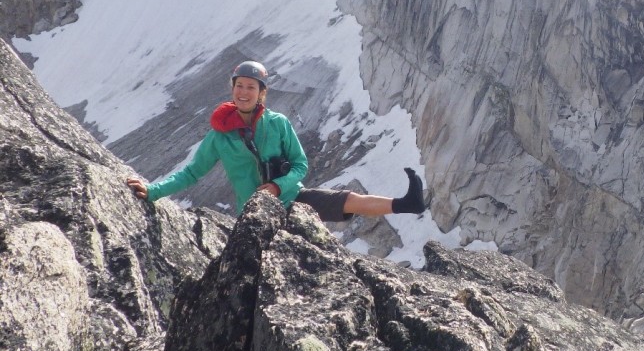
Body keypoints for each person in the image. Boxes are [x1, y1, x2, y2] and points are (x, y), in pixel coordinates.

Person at [126, 60, 426, 220]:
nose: (243, 92)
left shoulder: (278, 123)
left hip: (291, 197)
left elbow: (300, 165)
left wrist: (276, 186)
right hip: (255, 213)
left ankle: (406, 204)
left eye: (251, 87)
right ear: (232, 89)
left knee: (346, 200)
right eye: (239, 86)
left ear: (262, 93)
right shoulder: (220, 135)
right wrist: (152, 191)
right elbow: (192, 172)